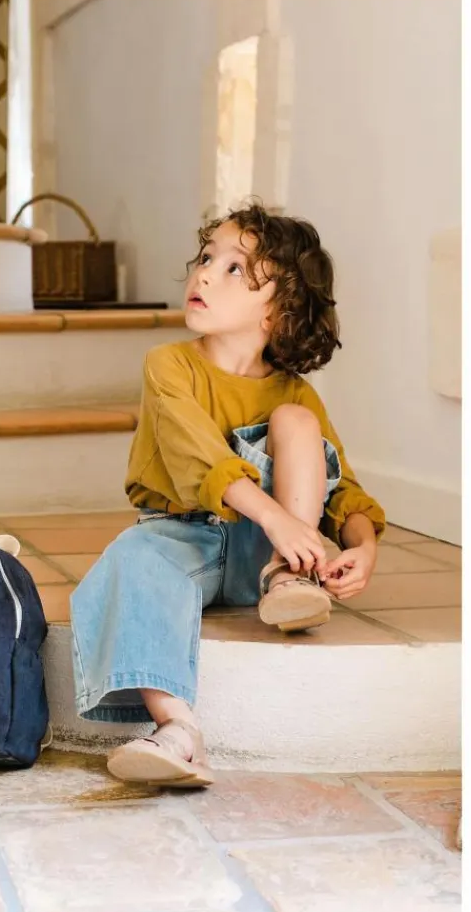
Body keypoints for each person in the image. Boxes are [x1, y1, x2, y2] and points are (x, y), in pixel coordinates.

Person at [69, 204, 386, 788]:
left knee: (295, 422)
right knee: (129, 558)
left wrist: (362, 548)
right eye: (206, 257)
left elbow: (346, 493)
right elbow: (200, 458)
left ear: (277, 311)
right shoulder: (169, 366)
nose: (205, 273)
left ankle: (290, 578)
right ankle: (178, 730)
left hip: (267, 552)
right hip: (181, 536)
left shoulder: (296, 393)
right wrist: (279, 519)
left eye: (235, 268)